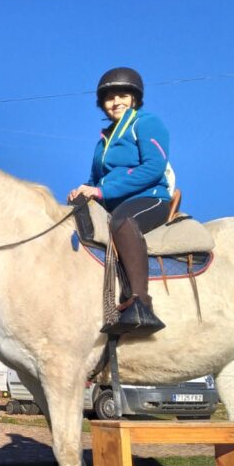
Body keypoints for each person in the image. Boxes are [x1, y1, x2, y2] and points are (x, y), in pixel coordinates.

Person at [68, 67, 172, 335]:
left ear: (134, 98)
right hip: (111, 201)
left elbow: (153, 168)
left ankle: (141, 306)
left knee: (122, 222)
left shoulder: (146, 123)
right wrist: (83, 192)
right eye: (109, 98)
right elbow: (96, 179)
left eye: (122, 95)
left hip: (149, 197)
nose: (115, 102)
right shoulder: (103, 141)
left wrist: (102, 192)